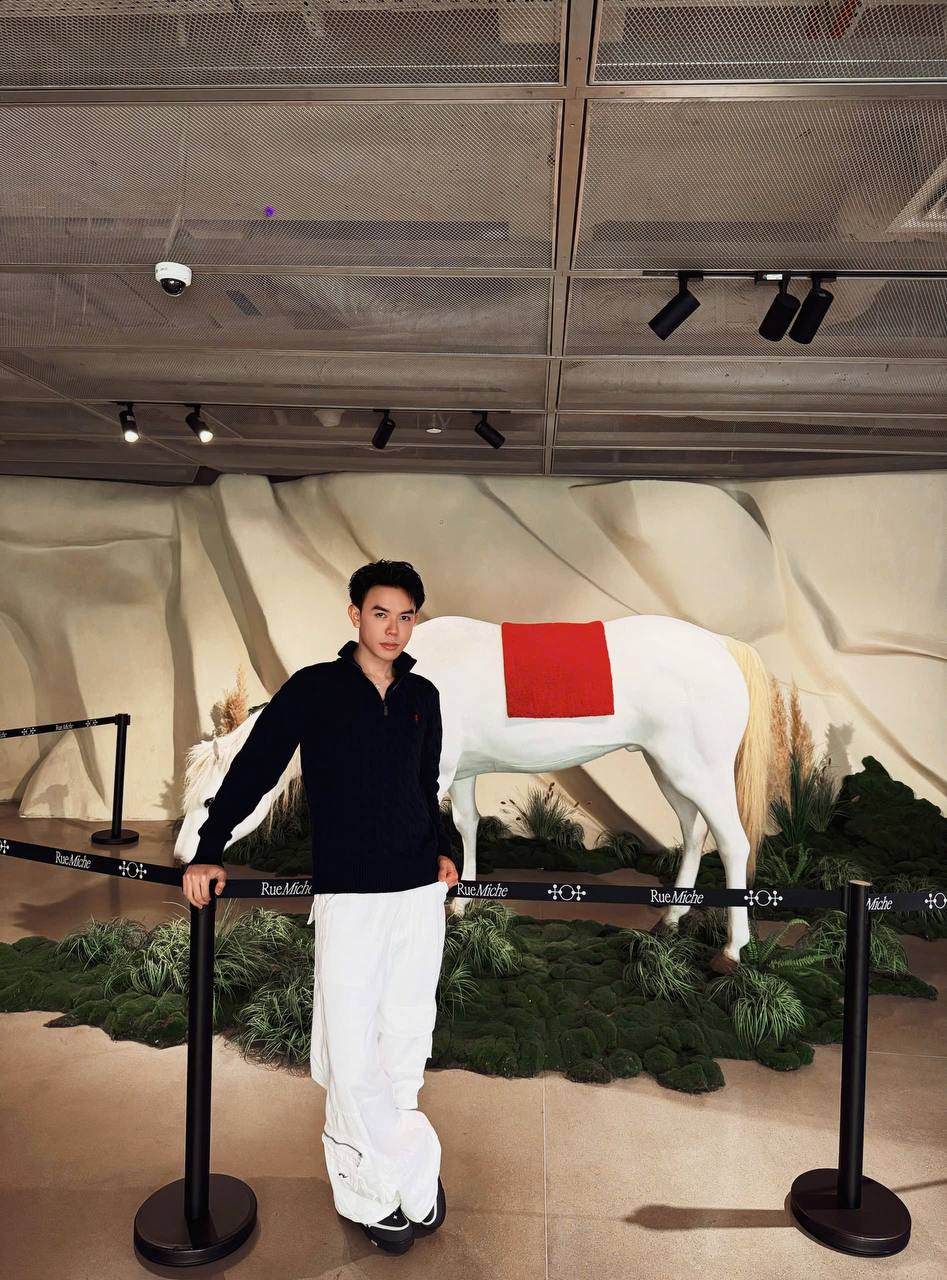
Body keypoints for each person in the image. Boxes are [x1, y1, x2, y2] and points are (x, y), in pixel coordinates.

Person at [180, 559, 459, 1254]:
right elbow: (255, 770)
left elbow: (426, 785)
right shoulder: (314, 689)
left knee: (405, 1037)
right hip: (350, 897)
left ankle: (399, 1174)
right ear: (355, 615)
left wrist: (445, 846)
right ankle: (379, 1186)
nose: (392, 628)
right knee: (351, 1049)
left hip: (418, 894)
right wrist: (210, 846)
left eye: (405, 616)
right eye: (380, 613)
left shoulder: (423, 695)